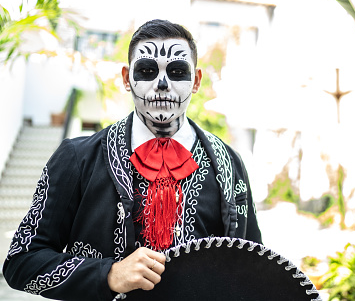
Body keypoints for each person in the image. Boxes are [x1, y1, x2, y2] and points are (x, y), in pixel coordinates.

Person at [2, 19, 262, 300]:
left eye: (176, 72)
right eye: (147, 71)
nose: (162, 84)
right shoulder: (77, 158)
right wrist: (109, 274)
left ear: (196, 80)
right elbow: (21, 262)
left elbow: (252, 268)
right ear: (127, 78)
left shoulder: (229, 166)